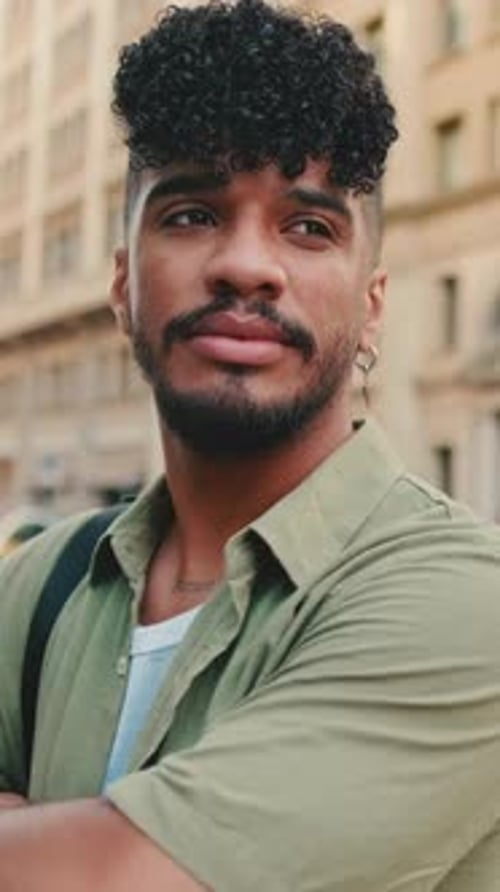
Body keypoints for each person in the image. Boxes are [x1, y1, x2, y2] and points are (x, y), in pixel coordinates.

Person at [0, 1, 500, 889]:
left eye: (309, 227)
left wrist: (60, 837)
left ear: (372, 305)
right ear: (122, 284)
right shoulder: (38, 585)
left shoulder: (467, 602)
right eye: (193, 214)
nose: (246, 265)